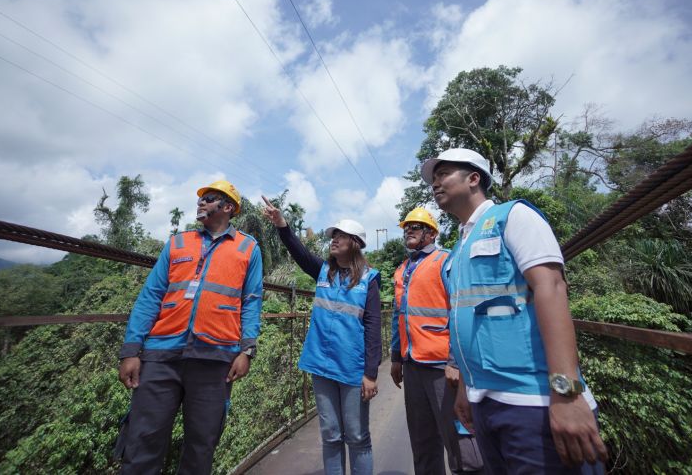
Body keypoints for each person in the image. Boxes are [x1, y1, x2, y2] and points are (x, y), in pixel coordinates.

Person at [421, 148, 608, 474]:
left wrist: (567, 394)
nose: (435, 184)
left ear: (473, 178)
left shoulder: (513, 217)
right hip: (485, 402)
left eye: (443, 174)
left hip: (534, 403)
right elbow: (466, 322)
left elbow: (552, 288)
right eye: (433, 179)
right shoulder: (457, 250)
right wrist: (465, 389)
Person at [116, 180, 263, 475]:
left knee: (201, 447)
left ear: (228, 207)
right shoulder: (178, 243)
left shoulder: (248, 247)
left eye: (209, 198)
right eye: (201, 198)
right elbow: (151, 296)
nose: (201, 202)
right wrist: (131, 350)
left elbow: (251, 301)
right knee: (142, 442)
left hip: (215, 358)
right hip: (161, 356)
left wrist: (247, 350)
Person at [261, 196, 381, 475]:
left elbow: (374, 328)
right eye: (333, 236)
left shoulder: (369, 279)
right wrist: (282, 225)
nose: (334, 240)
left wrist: (371, 373)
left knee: (357, 436)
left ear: (355, 243)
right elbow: (299, 252)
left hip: (352, 369)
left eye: (341, 236)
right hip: (321, 366)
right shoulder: (323, 271)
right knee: (330, 434)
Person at [390, 207, 484, 474]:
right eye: (407, 228)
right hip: (412, 366)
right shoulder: (402, 269)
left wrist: (455, 361)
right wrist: (396, 358)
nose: (409, 231)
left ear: (431, 234)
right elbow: (398, 316)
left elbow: (460, 310)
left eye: (416, 227)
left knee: (460, 442)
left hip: (442, 367)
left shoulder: (445, 261)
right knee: (422, 442)